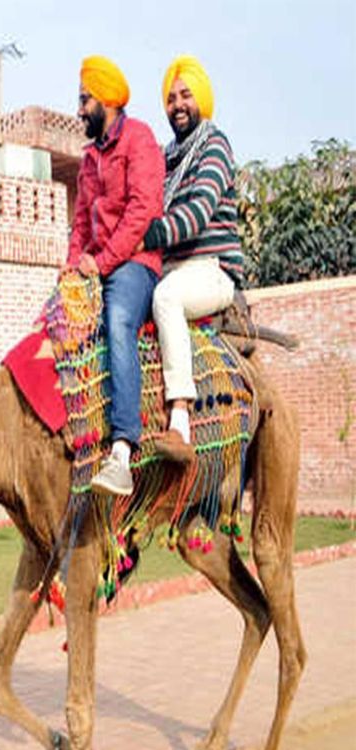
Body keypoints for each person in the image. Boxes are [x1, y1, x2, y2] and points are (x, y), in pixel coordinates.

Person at [61, 56, 166, 497]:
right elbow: (82, 222)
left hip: (135, 267)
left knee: (118, 322)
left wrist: (100, 264)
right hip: (97, 267)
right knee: (55, 322)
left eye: (85, 99)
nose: (80, 109)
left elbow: (143, 211)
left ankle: (123, 447)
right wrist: (70, 269)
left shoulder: (139, 139)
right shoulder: (89, 158)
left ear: (106, 99)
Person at [140, 56, 244, 462]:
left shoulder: (215, 146)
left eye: (185, 95)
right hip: (171, 269)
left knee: (165, 298)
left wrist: (148, 234)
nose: (177, 104)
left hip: (211, 270)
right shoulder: (167, 158)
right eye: (170, 98)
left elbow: (199, 212)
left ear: (201, 97)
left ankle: (180, 419)